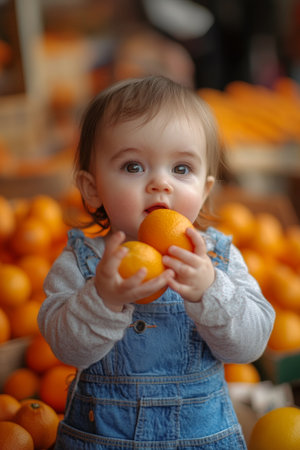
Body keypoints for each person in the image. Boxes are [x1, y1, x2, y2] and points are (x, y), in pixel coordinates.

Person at [38, 75, 275, 449]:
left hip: (201, 439)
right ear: (92, 189)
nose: (160, 183)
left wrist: (210, 290)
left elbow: (250, 345)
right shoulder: (83, 263)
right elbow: (66, 348)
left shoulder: (218, 260)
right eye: (134, 167)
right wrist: (102, 299)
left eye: (181, 169)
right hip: (102, 439)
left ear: (205, 189)